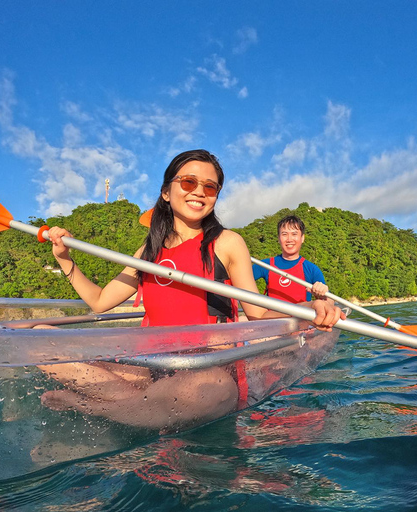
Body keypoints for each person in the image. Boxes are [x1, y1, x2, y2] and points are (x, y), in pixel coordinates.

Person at [38, 149, 344, 431]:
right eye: (188, 182)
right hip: (152, 365)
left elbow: (258, 313)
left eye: (209, 187)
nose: (199, 191)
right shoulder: (148, 250)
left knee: (200, 391)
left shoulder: (227, 242)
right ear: (166, 192)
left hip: (208, 370)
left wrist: (309, 308)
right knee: (42, 339)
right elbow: (100, 301)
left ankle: (95, 406)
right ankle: (140, 406)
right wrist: (65, 260)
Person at [253, 215, 330, 303]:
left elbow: (329, 301)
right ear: (278, 238)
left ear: (302, 238)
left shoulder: (311, 269)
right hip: (272, 316)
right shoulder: (265, 265)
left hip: (299, 316)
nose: (289, 239)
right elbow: (239, 280)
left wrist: (323, 292)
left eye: (294, 234)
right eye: (284, 234)